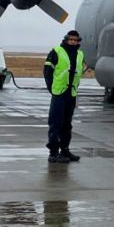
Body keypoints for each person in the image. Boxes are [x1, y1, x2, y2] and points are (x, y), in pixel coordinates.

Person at [43, 30, 86, 163]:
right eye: (71, 39)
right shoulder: (56, 51)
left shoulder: (80, 54)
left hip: (71, 93)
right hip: (59, 93)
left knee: (67, 124)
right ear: (66, 40)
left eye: (75, 40)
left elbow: (78, 73)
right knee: (55, 123)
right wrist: (52, 89)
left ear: (78, 41)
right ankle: (53, 152)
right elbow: (47, 72)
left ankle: (65, 150)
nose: (73, 42)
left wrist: (75, 87)